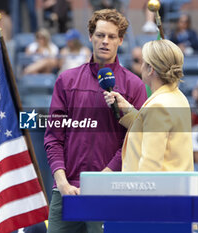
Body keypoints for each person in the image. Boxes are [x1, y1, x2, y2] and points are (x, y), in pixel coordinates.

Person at [44, 9, 147, 233]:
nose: (105, 41)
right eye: (100, 35)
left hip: (109, 192)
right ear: (90, 36)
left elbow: (134, 142)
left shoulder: (134, 85)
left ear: (120, 40)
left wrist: (100, 181)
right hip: (65, 191)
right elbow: (53, 138)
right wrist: (61, 183)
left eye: (111, 36)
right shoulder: (66, 80)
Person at [104, 39, 194, 171]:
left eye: (142, 62)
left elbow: (150, 166)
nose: (140, 67)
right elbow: (150, 128)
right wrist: (128, 109)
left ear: (150, 69)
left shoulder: (158, 106)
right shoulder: (178, 97)